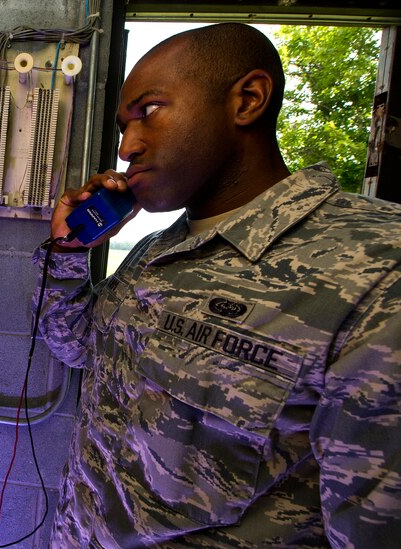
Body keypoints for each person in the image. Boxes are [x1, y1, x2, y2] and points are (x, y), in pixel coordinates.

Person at [34, 22, 401, 548]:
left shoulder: (376, 274)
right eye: (121, 126)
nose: (127, 147)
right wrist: (69, 251)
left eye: (149, 111)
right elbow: (74, 346)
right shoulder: (159, 249)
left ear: (248, 100)